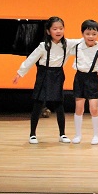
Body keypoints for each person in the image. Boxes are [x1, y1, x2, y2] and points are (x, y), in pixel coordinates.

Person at [13, 16, 76, 144]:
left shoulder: (68, 44)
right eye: (55, 29)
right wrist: (20, 73)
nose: (58, 31)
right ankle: (32, 134)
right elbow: (31, 59)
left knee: (59, 105)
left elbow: (84, 42)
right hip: (44, 74)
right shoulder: (43, 46)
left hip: (58, 75)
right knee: (38, 103)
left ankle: (62, 134)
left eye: (61, 28)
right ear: (48, 31)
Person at [70, 19, 98, 145]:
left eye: (94, 34)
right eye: (87, 33)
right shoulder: (77, 46)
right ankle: (78, 135)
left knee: (94, 108)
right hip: (79, 78)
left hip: (92, 79)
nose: (91, 36)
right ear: (82, 34)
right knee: (79, 108)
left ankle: (96, 135)